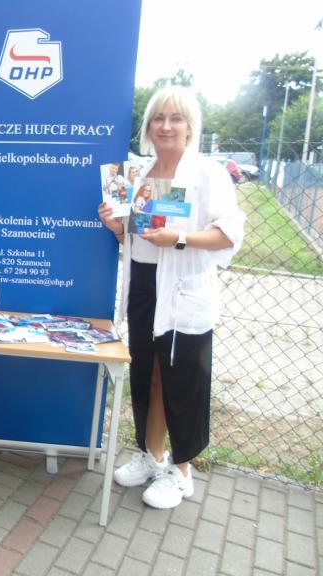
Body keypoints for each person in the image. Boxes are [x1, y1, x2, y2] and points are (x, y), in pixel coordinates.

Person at [97, 86, 245, 509]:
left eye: (175, 118)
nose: (165, 126)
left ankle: (181, 472)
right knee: (148, 375)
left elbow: (229, 233)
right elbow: (134, 234)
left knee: (182, 381)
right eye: (158, 118)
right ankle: (151, 455)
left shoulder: (207, 173)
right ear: (148, 126)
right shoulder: (137, 174)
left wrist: (178, 237)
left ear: (190, 126)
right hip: (144, 286)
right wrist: (115, 224)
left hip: (184, 289)